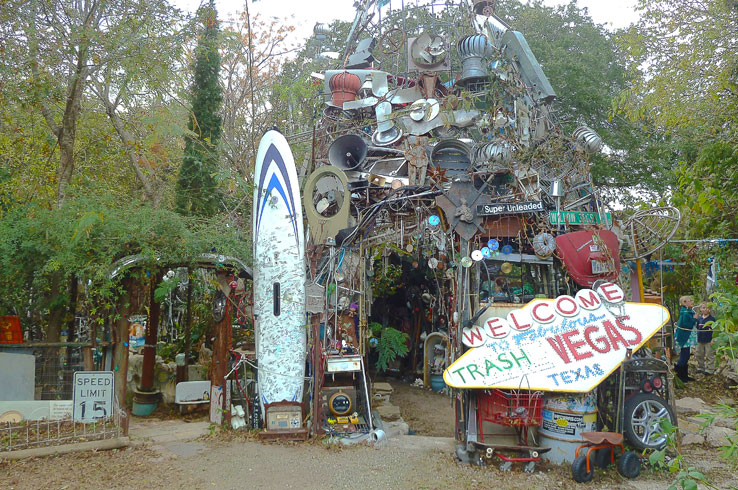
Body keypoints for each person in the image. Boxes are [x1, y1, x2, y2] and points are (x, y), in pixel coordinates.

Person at [674, 295, 698, 382]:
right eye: (690, 300)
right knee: (684, 356)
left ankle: (684, 375)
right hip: (685, 338)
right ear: (684, 303)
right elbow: (686, 325)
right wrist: (694, 319)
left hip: (687, 338)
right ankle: (680, 375)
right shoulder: (685, 313)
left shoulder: (689, 311)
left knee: (686, 356)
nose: (692, 301)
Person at [696, 302, 716, 375]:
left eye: (707, 308)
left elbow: (714, 330)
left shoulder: (712, 319)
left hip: (708, 340)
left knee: (709, 355)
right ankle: (701, 367)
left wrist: (713, 339)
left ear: (710, 309)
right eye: (703, 308)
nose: (705, 309)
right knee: (699, 354)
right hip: (700, 339)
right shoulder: (699, 318)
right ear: (701, 309)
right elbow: (697, 328)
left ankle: (710, 369)